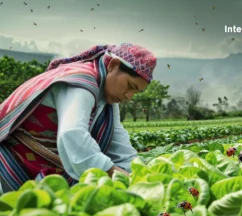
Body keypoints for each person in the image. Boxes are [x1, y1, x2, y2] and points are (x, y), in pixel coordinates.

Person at [0, 43, 157, 193]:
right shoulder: (82, 83)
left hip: (37, 166)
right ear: (113, 65)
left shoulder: (107, 97)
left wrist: (139, 175)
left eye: (136, 92)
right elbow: (72, 132)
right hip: (12, 163)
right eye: (130, 86)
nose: (129, 96)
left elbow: (118, 142)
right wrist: (111, 171)